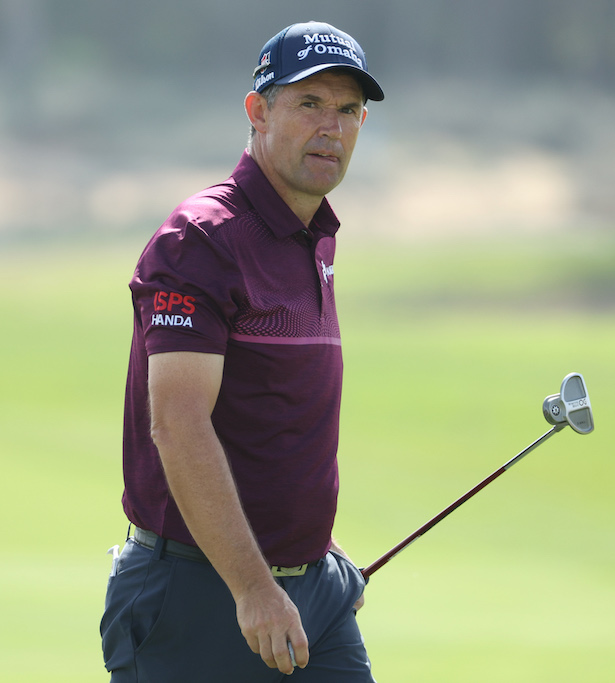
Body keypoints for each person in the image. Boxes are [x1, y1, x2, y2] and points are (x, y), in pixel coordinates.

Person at [100, 21, 384, 682]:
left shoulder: (314, 235)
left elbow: (269, 418)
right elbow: (179, 423)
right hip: (196, 594)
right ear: (258, 111)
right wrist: (256, 587)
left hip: (308, 591)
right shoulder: (201, 239)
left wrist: (314, 553)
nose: (332, 127)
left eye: (348, 110)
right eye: (309, 104)